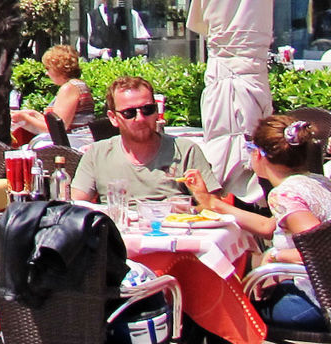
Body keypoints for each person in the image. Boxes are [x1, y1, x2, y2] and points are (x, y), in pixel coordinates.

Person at [186, 115, 331, 329]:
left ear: (259, 155)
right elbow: (269, 227)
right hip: (315, 293)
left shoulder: (285, 195)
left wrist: (273, 256)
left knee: (221, 304)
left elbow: (322, 253)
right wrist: (212, 203)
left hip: (316, 303)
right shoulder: (316, 182)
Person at [72, 76, 212, 208]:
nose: (140, 118)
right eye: (129, 113)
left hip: (176, 229)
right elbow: (75, 205)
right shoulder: (97, 154)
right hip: (118, 230)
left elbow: (214, 208)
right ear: (113, 118)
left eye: (147, 109)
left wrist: (189, 207)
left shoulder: (185, 150)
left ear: (157, 111)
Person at [11, 44, 94, 146]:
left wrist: (24, 118)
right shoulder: (77, 85)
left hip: (74, 143)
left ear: (58, 68)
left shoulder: (69, 88)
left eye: (48, 68)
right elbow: (57, 122)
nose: (47, 73)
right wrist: (34, 115)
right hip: (76, 140)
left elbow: (58, 128)